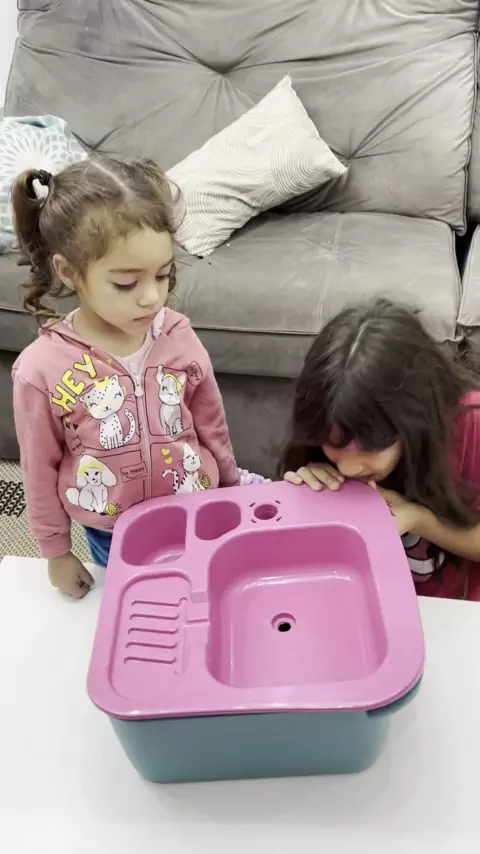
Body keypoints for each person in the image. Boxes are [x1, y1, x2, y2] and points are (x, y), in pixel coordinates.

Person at [12, 158, 240, 598]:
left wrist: (232, 491)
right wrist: (56, 552)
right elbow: (38, 469)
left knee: (202, 599)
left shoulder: (178, 335)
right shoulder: (40, 370)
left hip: (196, 509)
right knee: (136, 604)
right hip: (112, 529)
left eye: (163, 274)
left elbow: (212, 423)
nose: (152, 297)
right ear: (68, 271)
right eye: (125, 283)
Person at [281, 299, 480, 600]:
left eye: (368, 446)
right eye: (332, 444)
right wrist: (308, 499)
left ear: (413, 419)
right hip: (365, 601)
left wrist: (418, 519)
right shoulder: (323, 432)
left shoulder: (469, 426)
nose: (348, 468)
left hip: (456, 609)